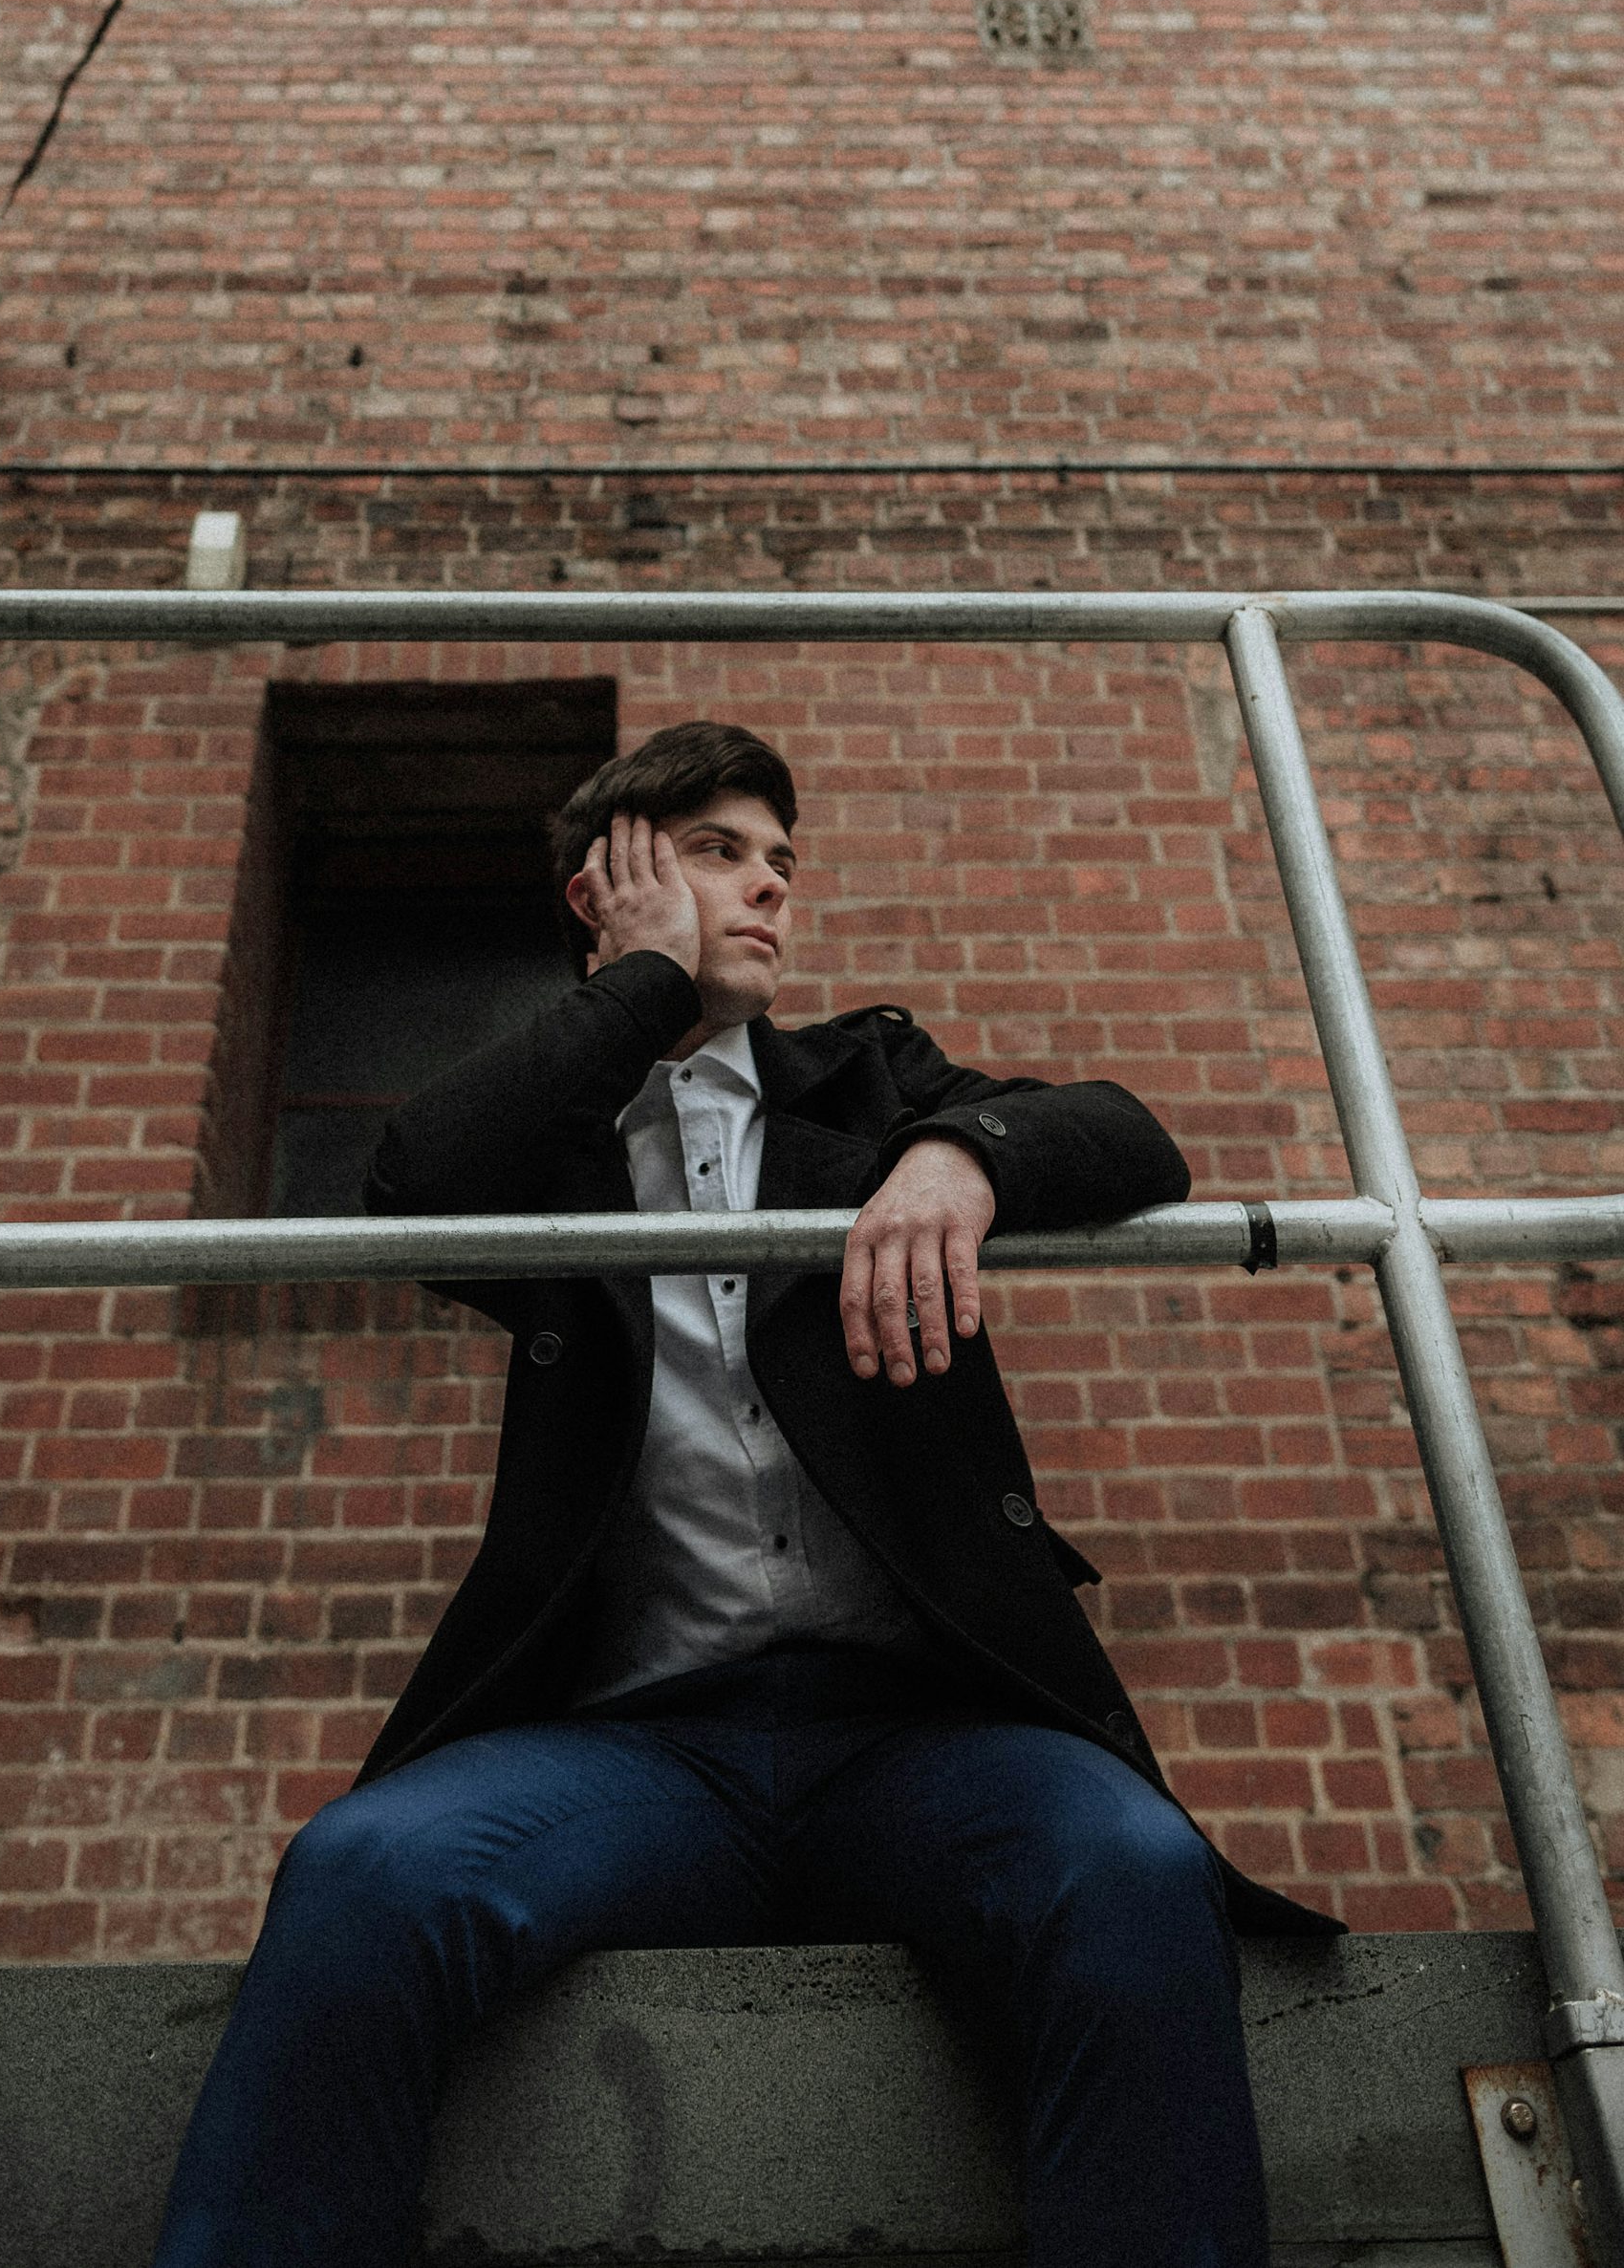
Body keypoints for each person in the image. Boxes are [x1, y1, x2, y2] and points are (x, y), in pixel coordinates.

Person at [153, 721, 1338, 2268]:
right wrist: (643, 987)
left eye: (783, 863)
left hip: (926, 1739)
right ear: (607, 884)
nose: (771, 891)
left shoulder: (864, 1077)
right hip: (640, 1754)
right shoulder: (547, 1136)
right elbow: (410, 1193)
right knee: (364, 1872)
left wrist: (956, 1159)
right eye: (719, 856)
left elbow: (1131, 1134)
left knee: (1129, 1870)